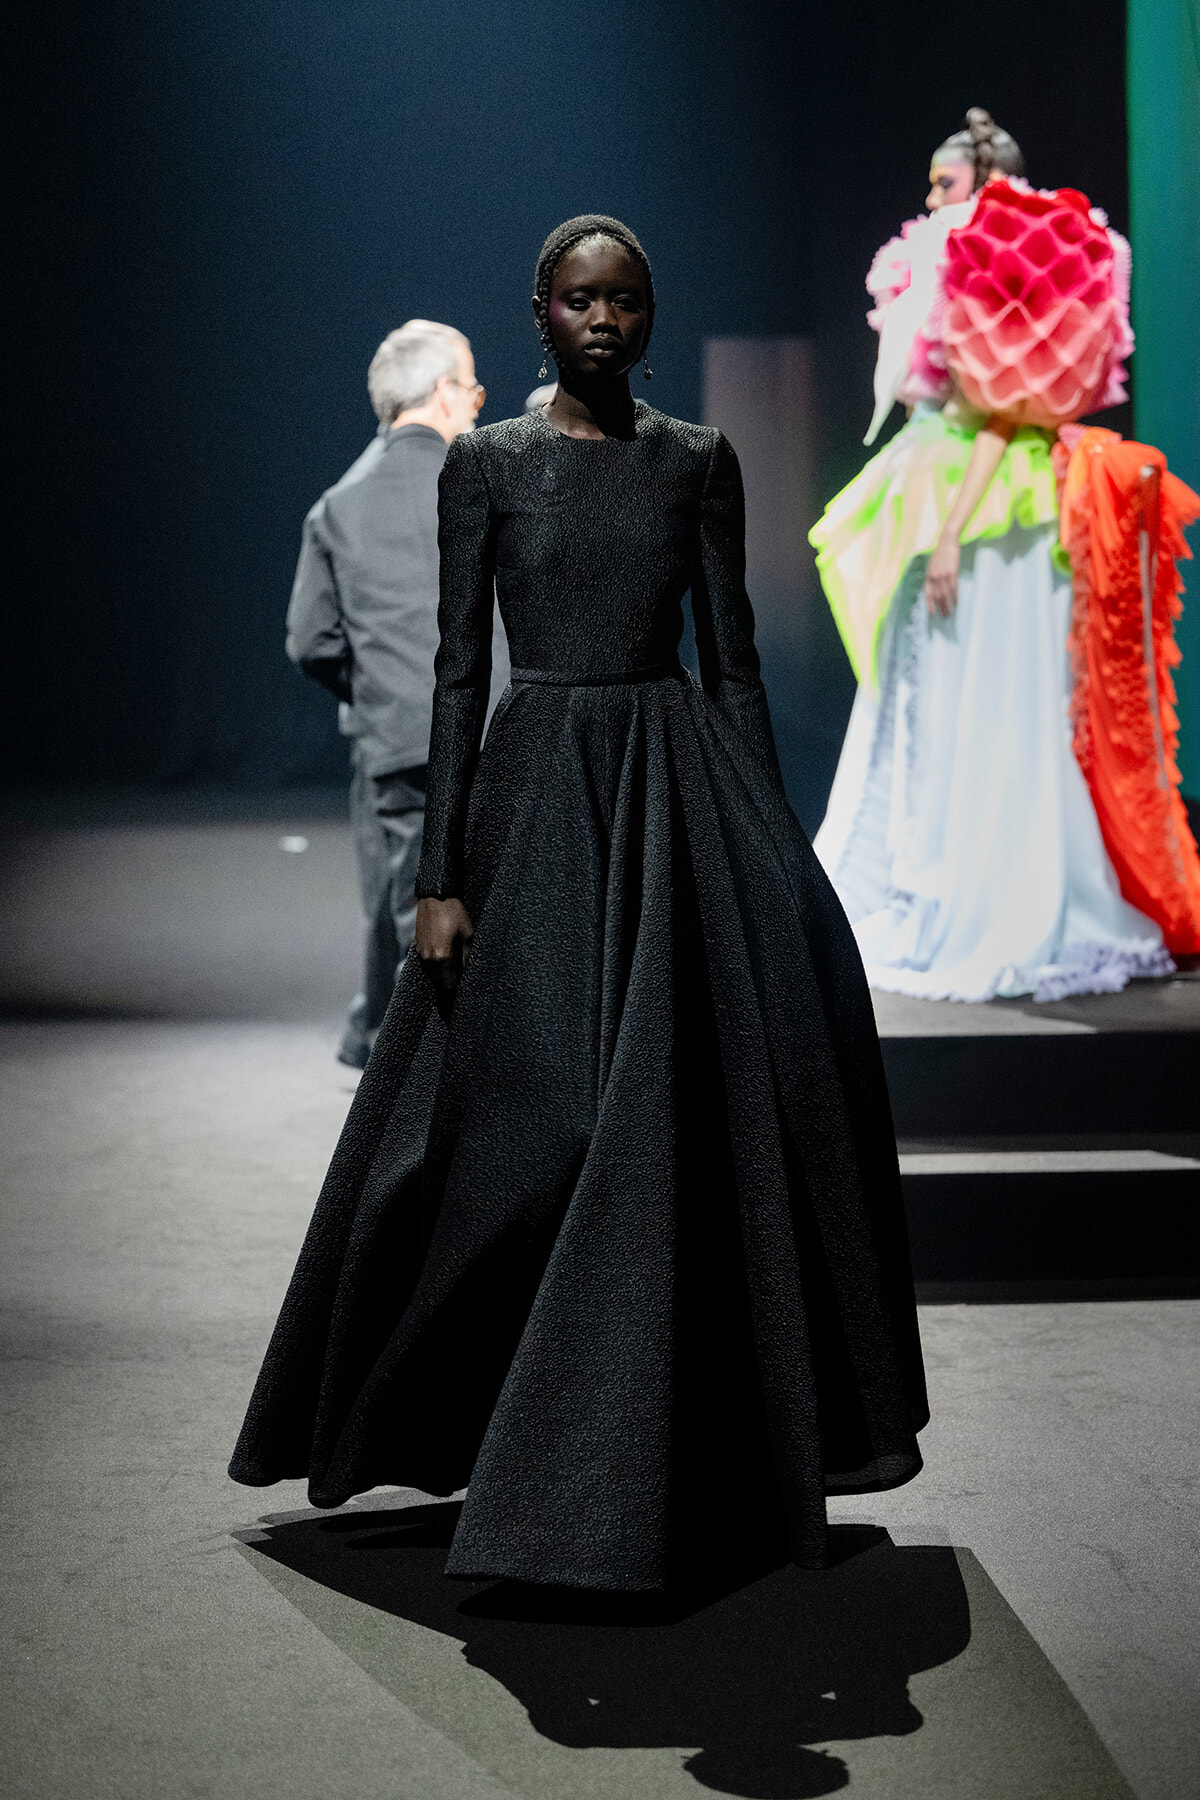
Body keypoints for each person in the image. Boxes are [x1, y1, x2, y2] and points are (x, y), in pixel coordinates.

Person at [230, 215, 928, 1591]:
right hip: (535, 796)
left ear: (648, 315)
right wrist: (437, 880)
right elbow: (446, 675)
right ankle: (484, 1426)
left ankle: (620, 1466)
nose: (605, 322)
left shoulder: (696, 463)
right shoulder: (487, 468)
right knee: (521, 1129)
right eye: (579, 301)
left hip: (674, 800)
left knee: (662, 1125)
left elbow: (731, 666)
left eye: (626, 301)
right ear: (540, 314)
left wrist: (772, 852)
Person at [812, 110, 1200, 1003]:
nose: (931, 197)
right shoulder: (962, 257)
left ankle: (982, 887)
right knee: (939, 697)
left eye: (945, 184)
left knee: (988, 698)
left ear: (985, 186)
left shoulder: (1015, 256)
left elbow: (1006, 406)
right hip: (962, 484)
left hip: (993, 500)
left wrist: (952, 527)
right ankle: (936, 875)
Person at [285, 320, 503, 1068]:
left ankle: (397, 1062)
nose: (479, 401)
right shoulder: (493, 480)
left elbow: (309, 641)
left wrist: (374, 691)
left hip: (401, 741)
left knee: (408, 906)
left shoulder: (338, 505)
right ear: (443, 392)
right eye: (471, 385)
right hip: (504, 731)